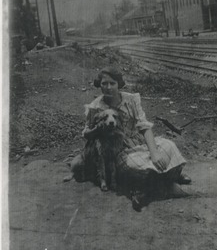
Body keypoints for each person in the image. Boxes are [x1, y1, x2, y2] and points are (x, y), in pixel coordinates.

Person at [71, 66, 192, 211]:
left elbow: (144, 126)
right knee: (133, 166)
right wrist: (97, 129)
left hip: (139, 142)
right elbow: (86, 133)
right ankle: (166, 181)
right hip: (119, 149)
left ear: (119, 84)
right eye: (104, 84)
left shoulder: (131, 100)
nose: (108, 87)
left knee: (168, 145)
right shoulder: (95, 107)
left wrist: (154, 153)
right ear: (99, 85)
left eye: (112, 83)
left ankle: (162, 179)